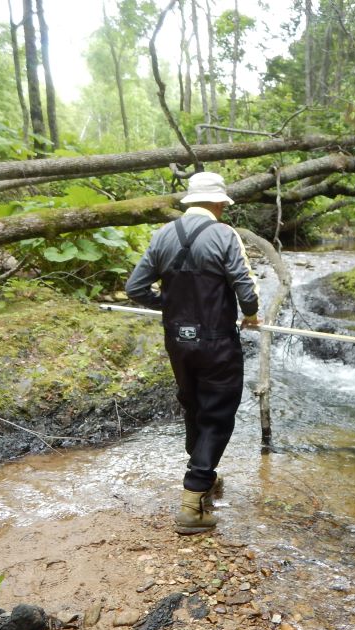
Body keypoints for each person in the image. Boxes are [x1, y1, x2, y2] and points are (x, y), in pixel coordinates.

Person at [125, 171, 260, 534]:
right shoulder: (224, 234)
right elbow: (245, 286)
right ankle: (193, 502)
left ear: (189, 203)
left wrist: (166, 304)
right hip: (216, 341)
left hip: (177, 342)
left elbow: (135, 287)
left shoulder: (162, 235)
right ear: (219, 204)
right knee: (218, 412)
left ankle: (204, 475)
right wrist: (251, 315)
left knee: (194, 404)